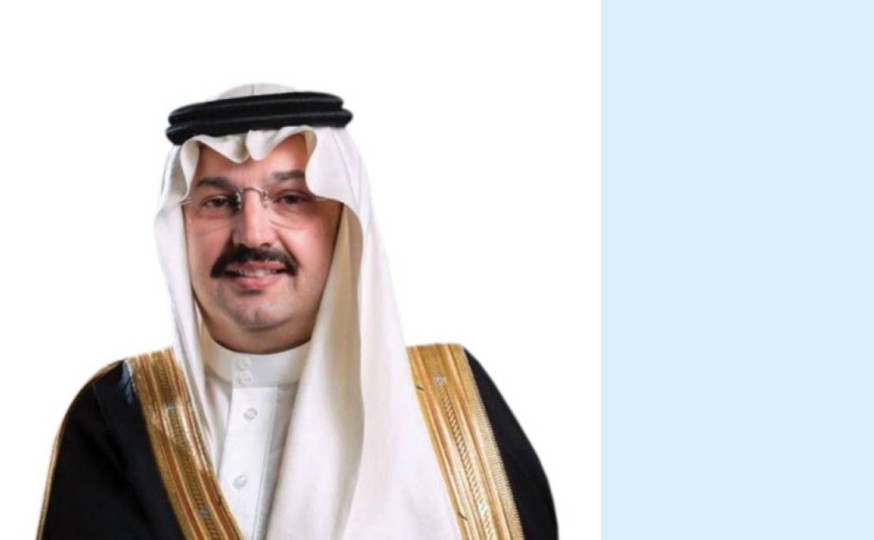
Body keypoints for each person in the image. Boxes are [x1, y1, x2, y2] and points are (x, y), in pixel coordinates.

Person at [37, 84, 556, 540]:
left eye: (290, 199)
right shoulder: (119, 416)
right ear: (180, 228)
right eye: (217, 202)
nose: (253, 233)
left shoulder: (455, 405)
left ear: (343, 224)